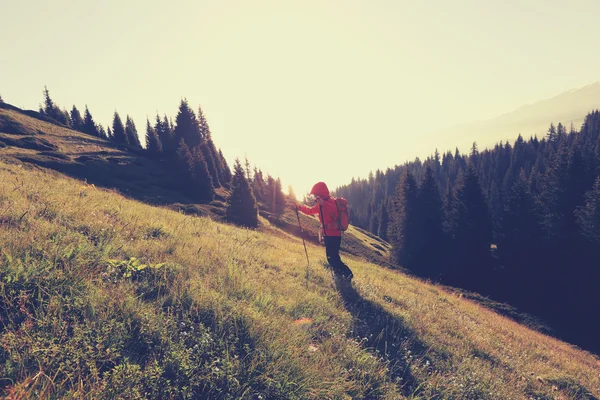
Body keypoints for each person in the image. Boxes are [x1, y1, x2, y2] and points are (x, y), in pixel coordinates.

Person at [294, 182, 354, 281]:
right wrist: (299, 207)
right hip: (327, 234)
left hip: (334, 235)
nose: (314, 197)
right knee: (331, 257)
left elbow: (334, 210)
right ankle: (339, 275)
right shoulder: (320, 205)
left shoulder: (331, 202)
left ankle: (347, 274)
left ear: (321, 194)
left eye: (315, 195)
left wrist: (323, 203)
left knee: (333, 257)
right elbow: (310, 211)